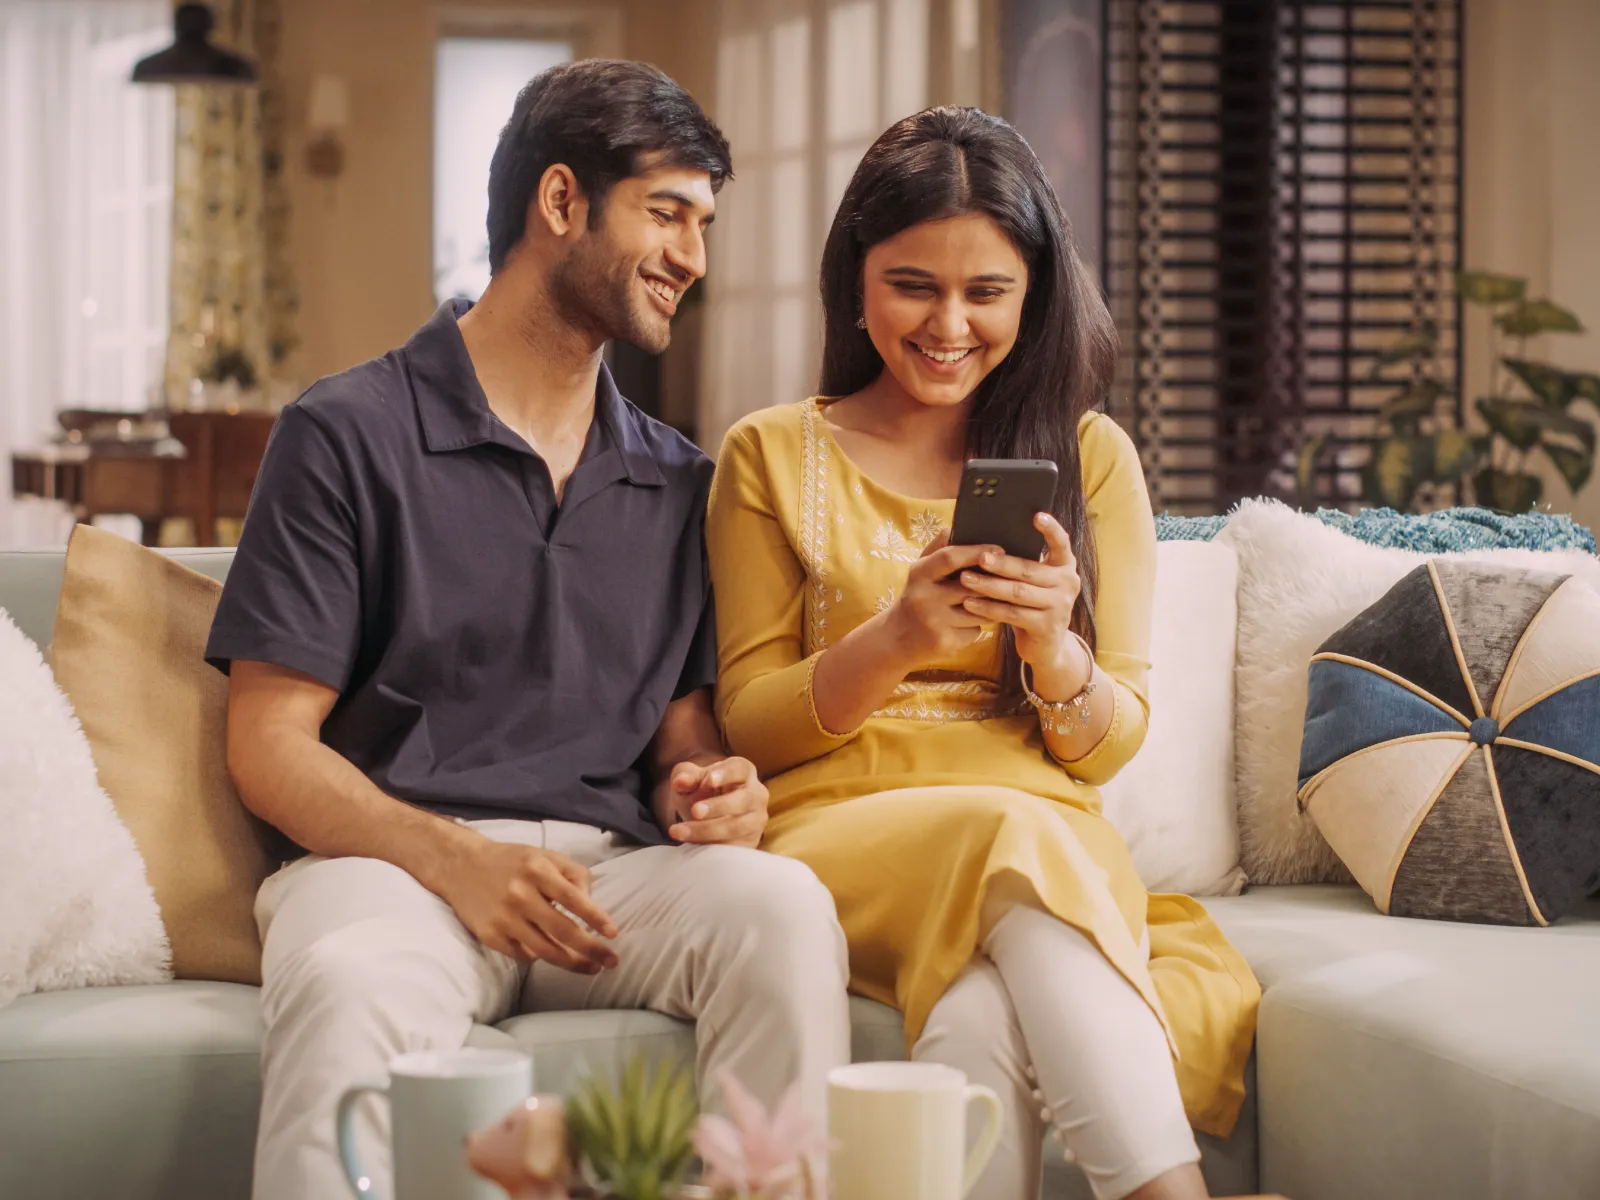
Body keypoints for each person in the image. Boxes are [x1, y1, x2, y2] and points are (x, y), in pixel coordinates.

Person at [207, 60, 850, 1200]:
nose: (693, 259)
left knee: (782, 909)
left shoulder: (674, 479)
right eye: (666, 214)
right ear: (561, 204)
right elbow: (267, 744)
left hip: (609, 884)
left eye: (702, 224)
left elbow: (680, 739)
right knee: (348, 979)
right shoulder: (344, 433)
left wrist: (712, 790)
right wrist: (455, 860)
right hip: (391, 869)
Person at [706, 107, 1259, 1200]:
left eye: (986, 292)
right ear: (855, 282)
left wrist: (1055, 651)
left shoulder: (1091, 457)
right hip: (839, 841)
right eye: (914, 284)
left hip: (1047, 843)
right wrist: (898, 637)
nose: (948, 323)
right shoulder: (769, 453)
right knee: (1010, 834)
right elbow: (749, 724)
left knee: (980, 1013)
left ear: (1033, 295)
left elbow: (1111, 746)